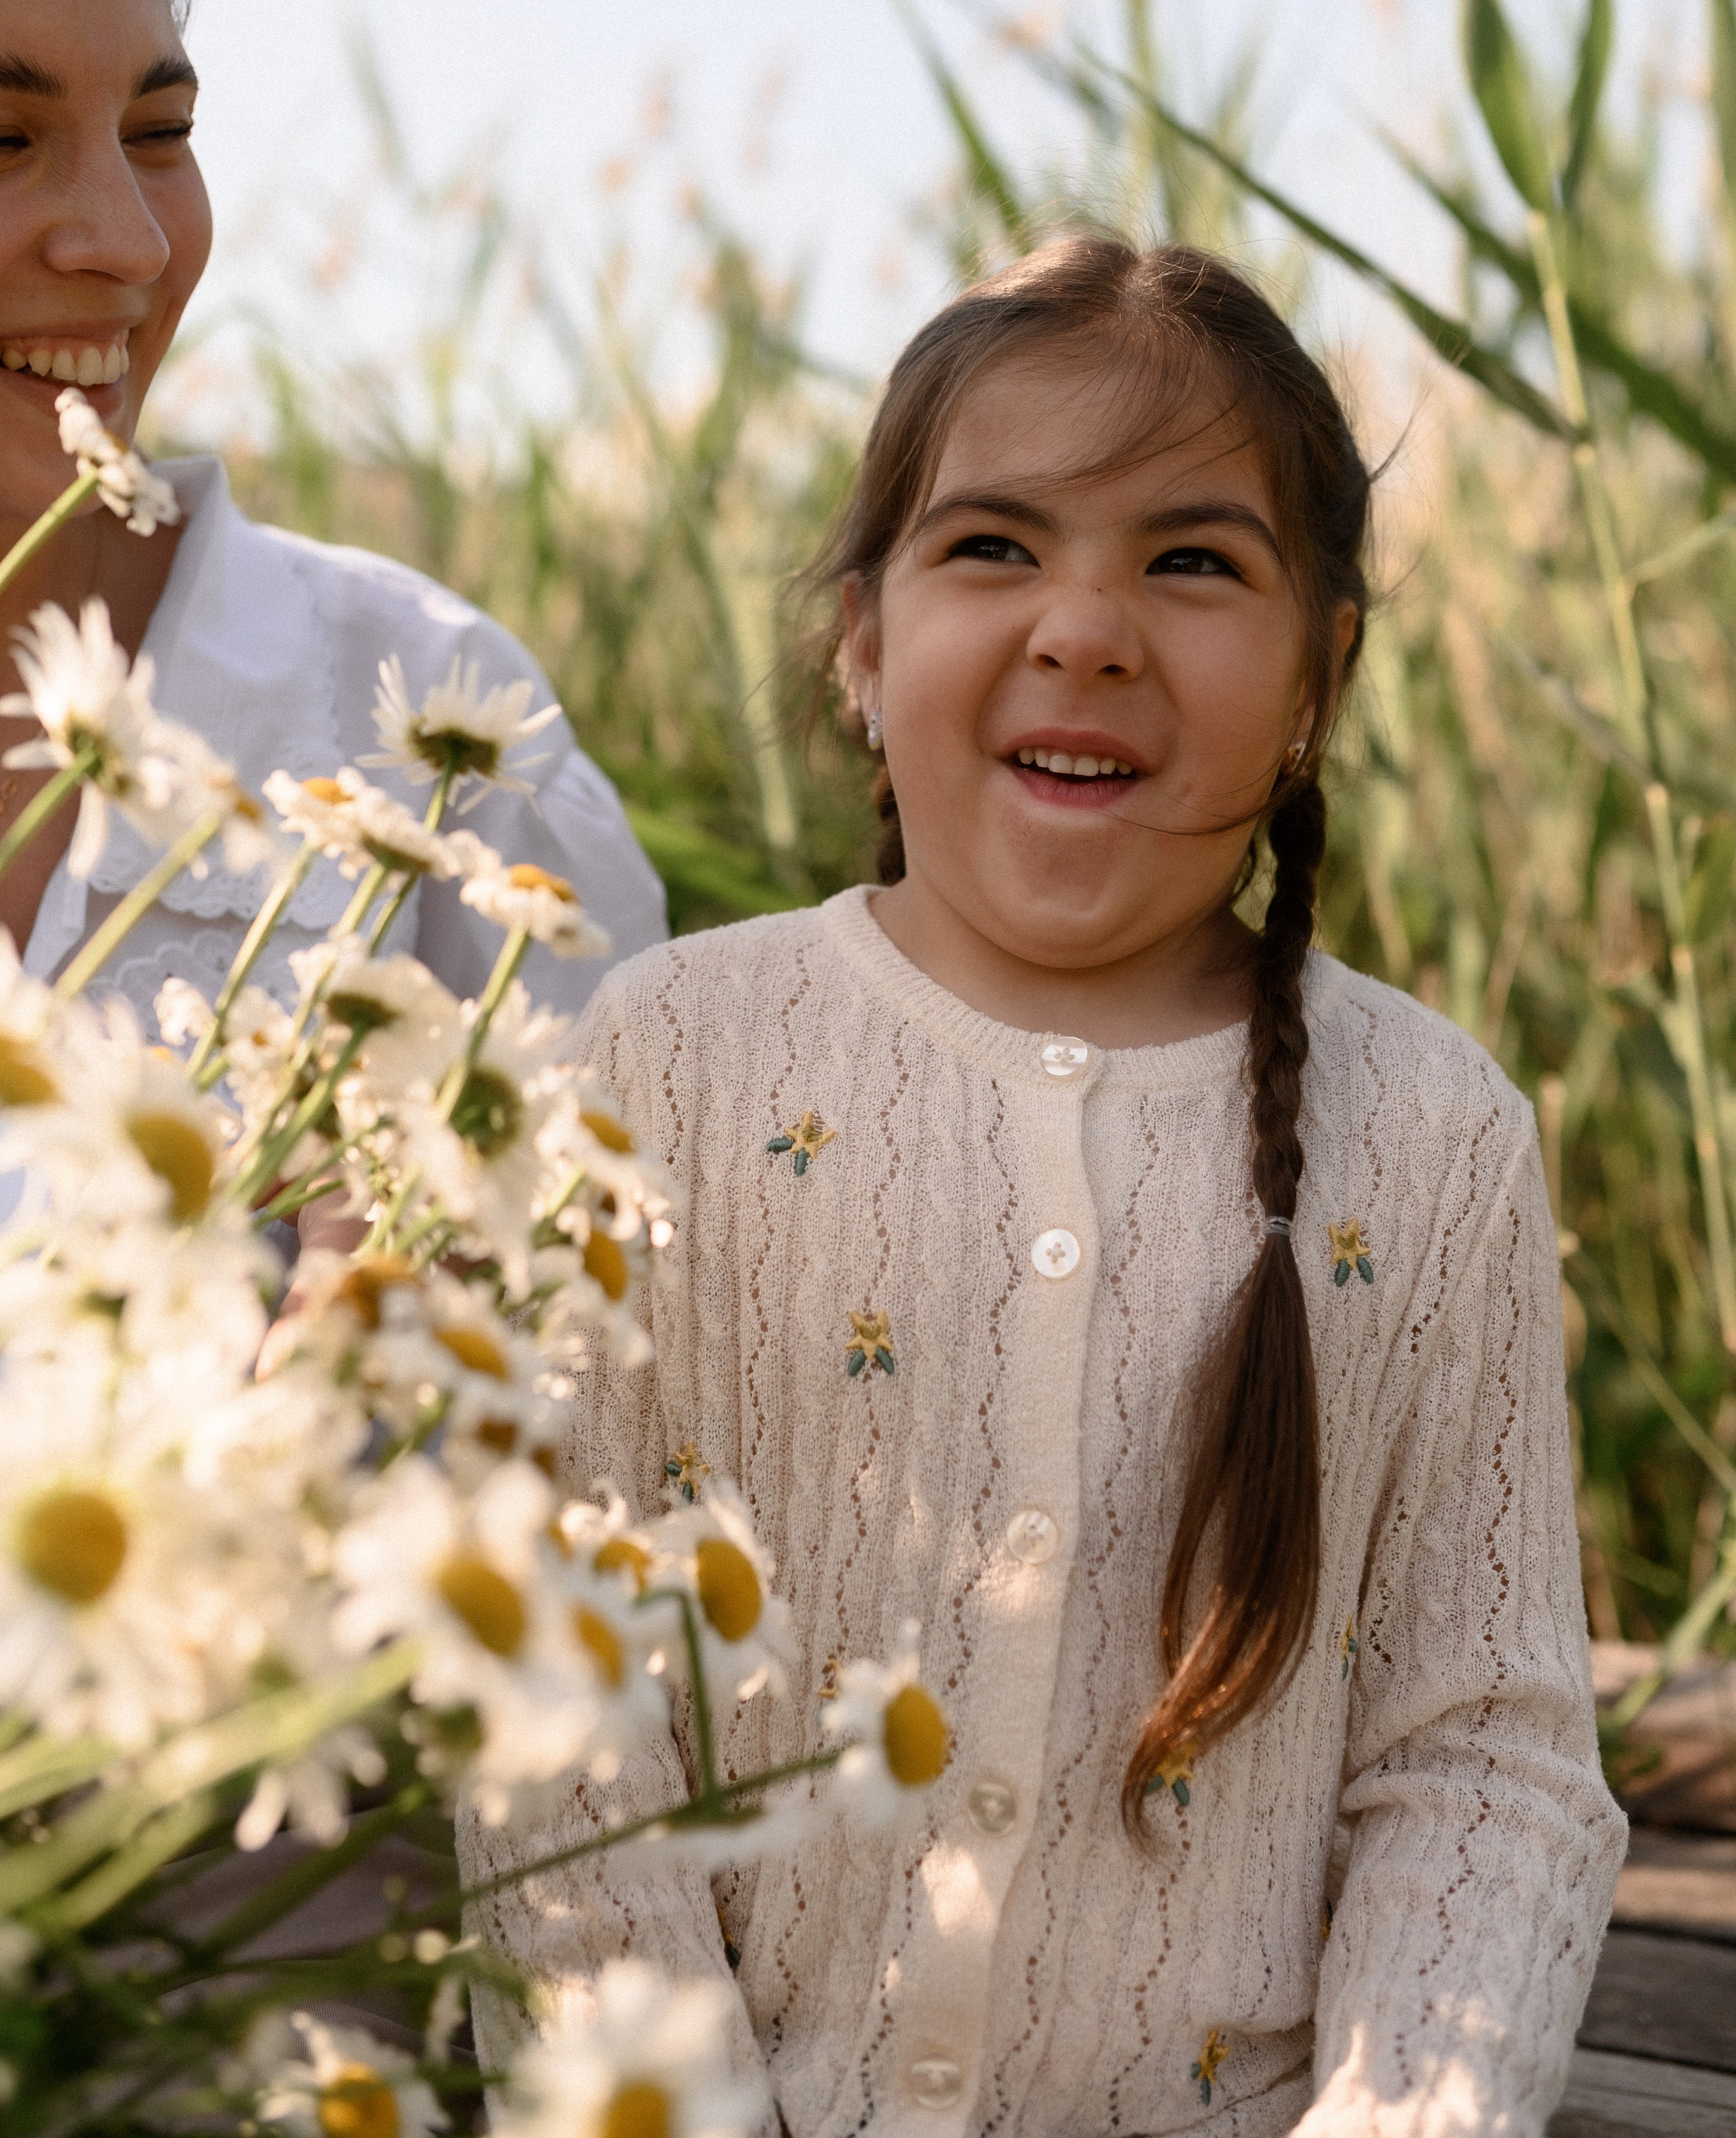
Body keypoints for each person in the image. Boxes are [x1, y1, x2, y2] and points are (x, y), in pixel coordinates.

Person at [462, 239, 1624, 2137]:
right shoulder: (664, 1055)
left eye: (1193, 561)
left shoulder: (1432, 1133)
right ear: (861, 641)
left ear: (1322, 669)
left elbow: (1483, 1759)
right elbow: (556, 1693)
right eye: (994, 544)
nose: (1084, 627)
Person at [0, 0, 665, 1023]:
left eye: (159, 131)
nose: (131, 243)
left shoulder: (432, 722)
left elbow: (626, 1150)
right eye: (2, 137)